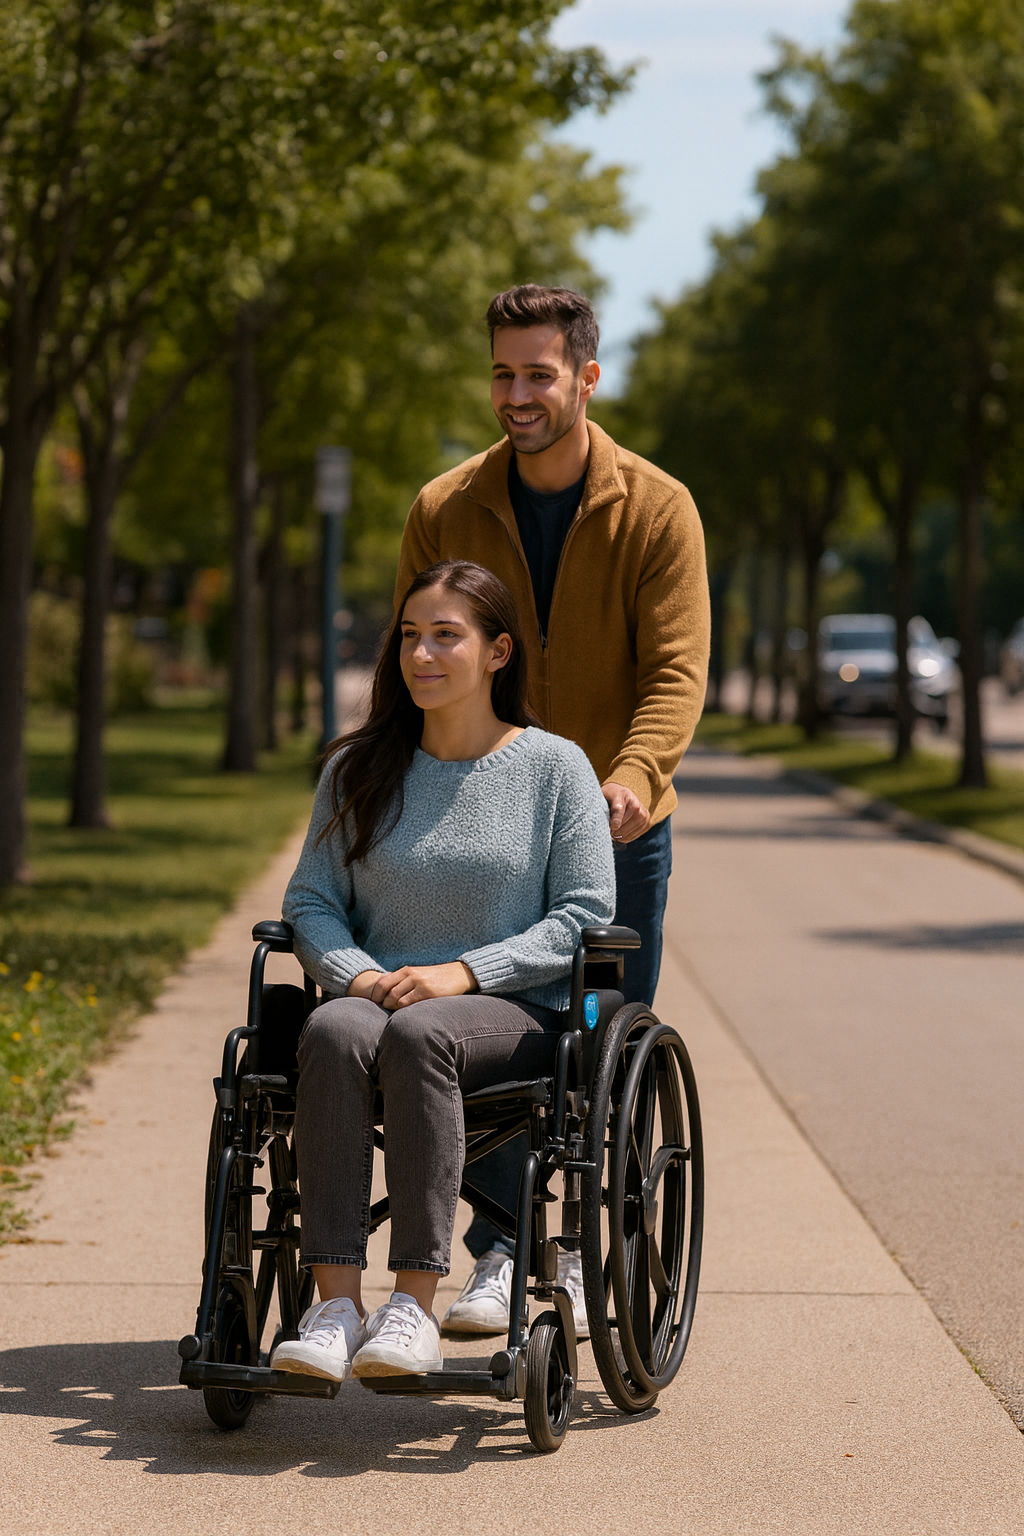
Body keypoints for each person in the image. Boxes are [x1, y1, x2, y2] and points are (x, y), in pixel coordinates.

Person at [394, 284, 710, 1335]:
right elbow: (415, 664)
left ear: (585, 377)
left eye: (537, 374)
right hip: (476, 825)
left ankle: (569, 1249)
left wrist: (632, 774)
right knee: (490, 1041)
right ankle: (502, 1249)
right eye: (501, 373)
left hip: (615, 833)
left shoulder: (656, 508)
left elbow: (675, 671)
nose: (515, 394)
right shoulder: (445, 507)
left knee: (585, 1044)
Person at [270, 559, 614, 1382]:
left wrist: (464, 971)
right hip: (376, 997)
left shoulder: (554, 769)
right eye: (410, 637)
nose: (421, 654)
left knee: (422, 1031)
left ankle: (413, 1308)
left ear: (498, 653)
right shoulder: (357, 769)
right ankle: (336, 1309)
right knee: (328, 1026)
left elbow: (585, 914)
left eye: (445, 637)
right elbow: (311, 900)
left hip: (510, 1012)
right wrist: (356, 976)